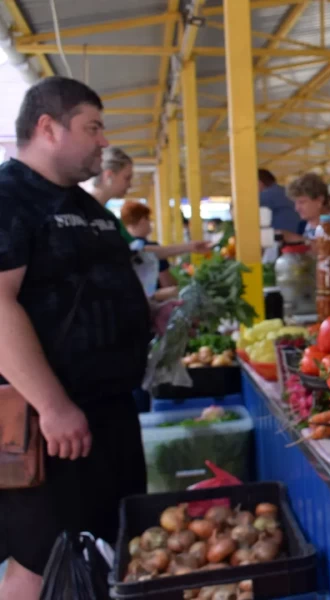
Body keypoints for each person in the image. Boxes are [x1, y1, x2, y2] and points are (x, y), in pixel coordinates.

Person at [0, 76, 174, 599]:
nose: (103, 141)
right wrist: (51, 406)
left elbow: (88, 287)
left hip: (110, 411)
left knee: (111, 540)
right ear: (48, 127)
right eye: (92, 127)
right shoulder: (11, 198)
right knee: (42, 558)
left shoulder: (90, 209)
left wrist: (146, 314)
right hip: (48, 422)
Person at [90, 146, 210, 258]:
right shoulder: (78, 211)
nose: (130, 185)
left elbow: (139, 251)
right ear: (109, 176)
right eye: (127, 178)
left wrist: (189, 247)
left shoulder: (108, 217)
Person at [119, 200, 178, 290]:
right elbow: (167, 283)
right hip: (154, 300)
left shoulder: (121, 246)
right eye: (149, 220)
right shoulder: (153, 249)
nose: (151, 224)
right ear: (143, 220)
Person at [284, 172, 330, 241]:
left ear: (319, 200)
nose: (296, 208)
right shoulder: (303, 225)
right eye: (295, 203)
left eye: (301, 202)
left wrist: (302, 240)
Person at [258, 168, 300, 235]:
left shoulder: (266, 195)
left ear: (259, 182)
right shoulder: (284, 191)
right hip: (296, 234)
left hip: (281, 239)